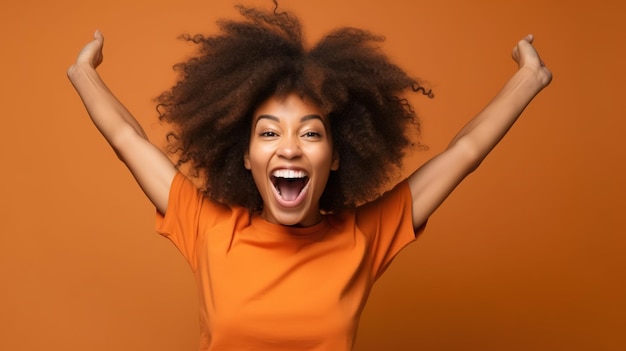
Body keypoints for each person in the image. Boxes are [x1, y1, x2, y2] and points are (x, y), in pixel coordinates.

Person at [67, 3, 551, 351]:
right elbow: (128, 140)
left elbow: (464, 152)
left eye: (311, 133)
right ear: (247, 157)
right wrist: (83, 72)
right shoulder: (210, 228)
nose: (290, 147)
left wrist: (528, 78)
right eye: (270, 132)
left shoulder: (364, 237)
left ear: (337, 156)